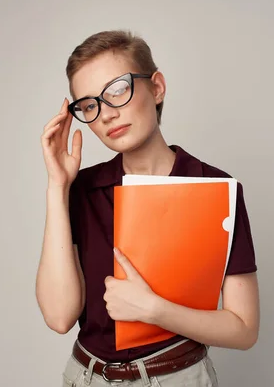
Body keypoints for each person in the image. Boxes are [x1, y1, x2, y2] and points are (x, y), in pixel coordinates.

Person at [36, 30, 260, 387]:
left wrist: (154, 309)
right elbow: (60, 317)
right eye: (90, 105)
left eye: (117, 90)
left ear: (156, 87)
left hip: (176, 378)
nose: (106, 114)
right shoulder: (82, 190)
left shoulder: (217, 189)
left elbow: (244, 329)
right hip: (85, 377)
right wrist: (57, 186)